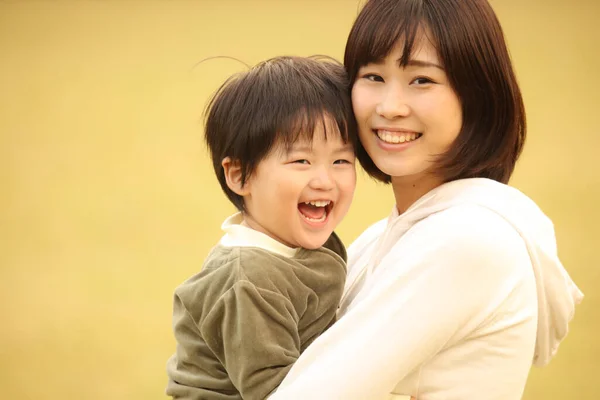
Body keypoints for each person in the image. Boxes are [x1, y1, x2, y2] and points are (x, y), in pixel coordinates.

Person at [269, 0, 584, 399]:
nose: (390, 107)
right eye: (373, 76)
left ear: (477, 95)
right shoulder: (380, 239)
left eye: (422, 80)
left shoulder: (466, 241)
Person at [165, 56, 358, 399]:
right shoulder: (250, 279)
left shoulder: (301, 244)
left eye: (341, 160)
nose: (325, 180)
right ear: (240, 175)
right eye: (302, 160)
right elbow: (279, 393)